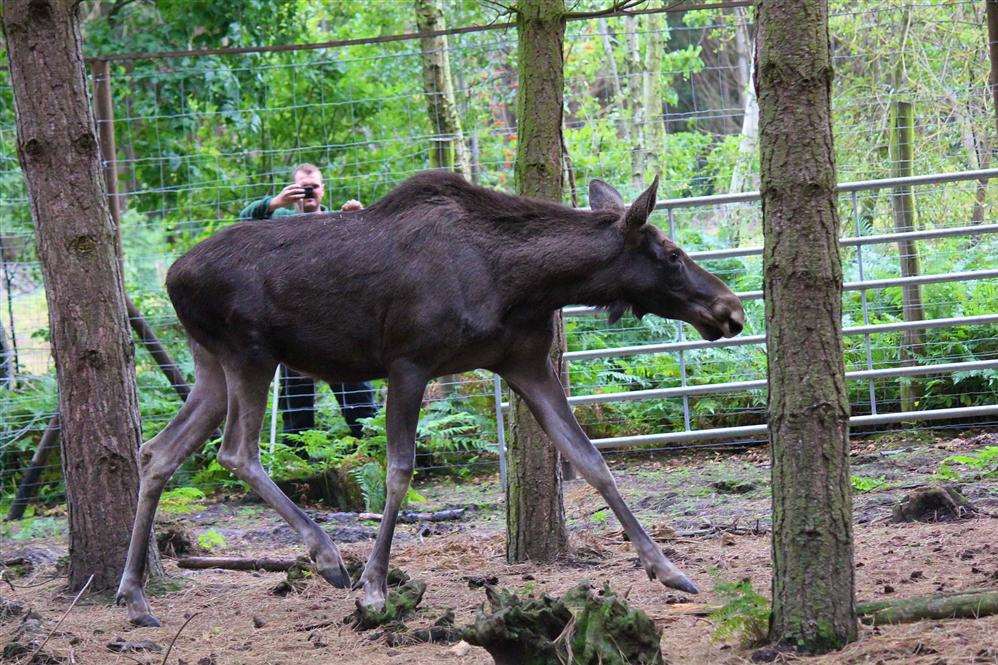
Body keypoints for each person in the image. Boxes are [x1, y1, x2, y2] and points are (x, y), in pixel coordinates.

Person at [239, 163, 377, 441]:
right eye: (302, 186)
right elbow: (243, 223)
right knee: (296, 409)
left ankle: (373, 451)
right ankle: (296, 469)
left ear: (323, 190)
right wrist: (275, 202)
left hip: (338, 324)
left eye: (313, 185)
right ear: (293, 190)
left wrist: (360, 221)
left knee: (358, 400)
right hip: (293, 323)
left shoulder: (340, 220)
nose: (308, 191)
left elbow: (371, 254)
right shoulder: (281, 222)